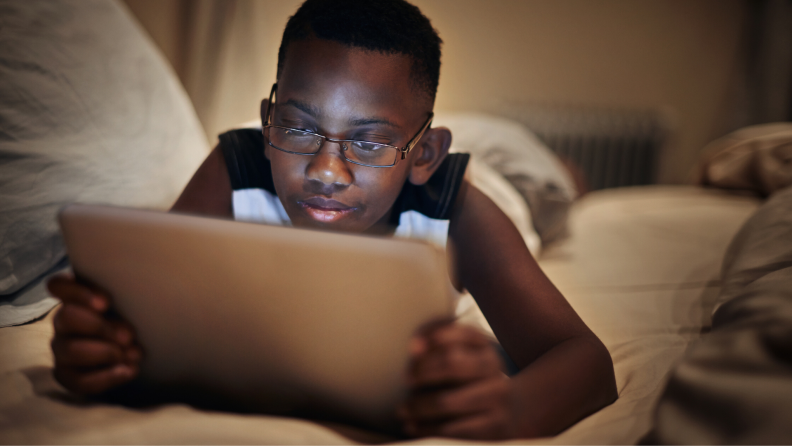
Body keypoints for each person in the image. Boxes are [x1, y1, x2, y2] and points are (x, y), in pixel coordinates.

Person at [47, 0, 617, 440]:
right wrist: (103, 353)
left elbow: (585, 361)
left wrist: (510, 410)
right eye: (298, 129)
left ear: (425, 154)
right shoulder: (236, 167)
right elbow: (143, 328)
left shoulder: (459, 210)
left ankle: (565, 172)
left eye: (366, 141)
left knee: (545, 182)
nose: (326, 172)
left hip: (500, 188)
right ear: (269, 121)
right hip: (398, 159)